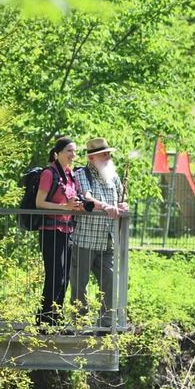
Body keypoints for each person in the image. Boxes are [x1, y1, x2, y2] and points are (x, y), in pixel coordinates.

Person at [70, 137, 128, 328]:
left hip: (107, 240)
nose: (108, 157)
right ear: (92, 157)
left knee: (109, 282)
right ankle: (80, 324)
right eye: (105, 154)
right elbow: (87, 198)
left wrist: (121, 206)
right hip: (85, 239)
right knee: (80, 286)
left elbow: (120, 200)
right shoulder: (81, 174)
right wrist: (106, 207)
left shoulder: (114, 176)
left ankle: (106, 324)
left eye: (109, 153)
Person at [36, 137, 82, 325]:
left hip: (66, 230)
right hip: (50, 231)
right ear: (57, 153)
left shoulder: (70, 175)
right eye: (69, 151)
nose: (73, 155)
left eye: (74, 151)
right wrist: (65, 207)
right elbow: (39, 203)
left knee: (64, 278)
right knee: (54, 276)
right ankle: (44, 322)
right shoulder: (49, 173)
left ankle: (56, 319)